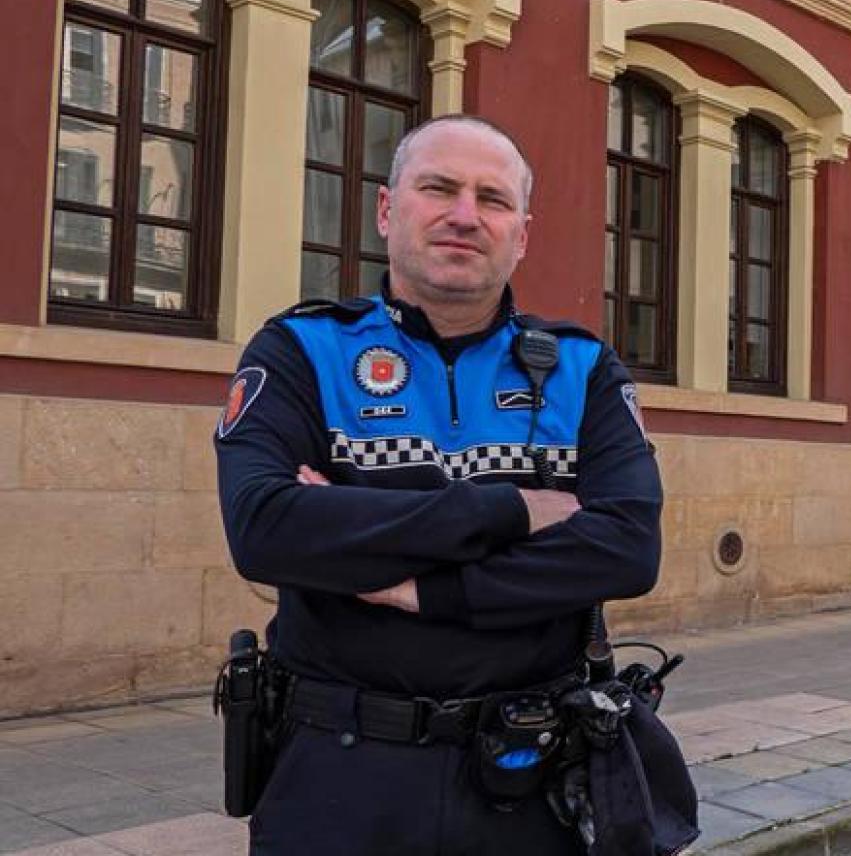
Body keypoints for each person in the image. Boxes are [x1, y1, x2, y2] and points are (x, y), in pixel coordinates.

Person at [215, 115, 665, 854]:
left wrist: (427, 585)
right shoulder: (302, 349)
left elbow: (626, 549)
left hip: (532, 779)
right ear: (389, 211)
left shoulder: (584, 371)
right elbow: (265, 529)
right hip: (336, 775)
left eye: (492, 199)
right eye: (439, 188)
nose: (464, 215)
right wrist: (514, 508)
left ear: (521, 232)